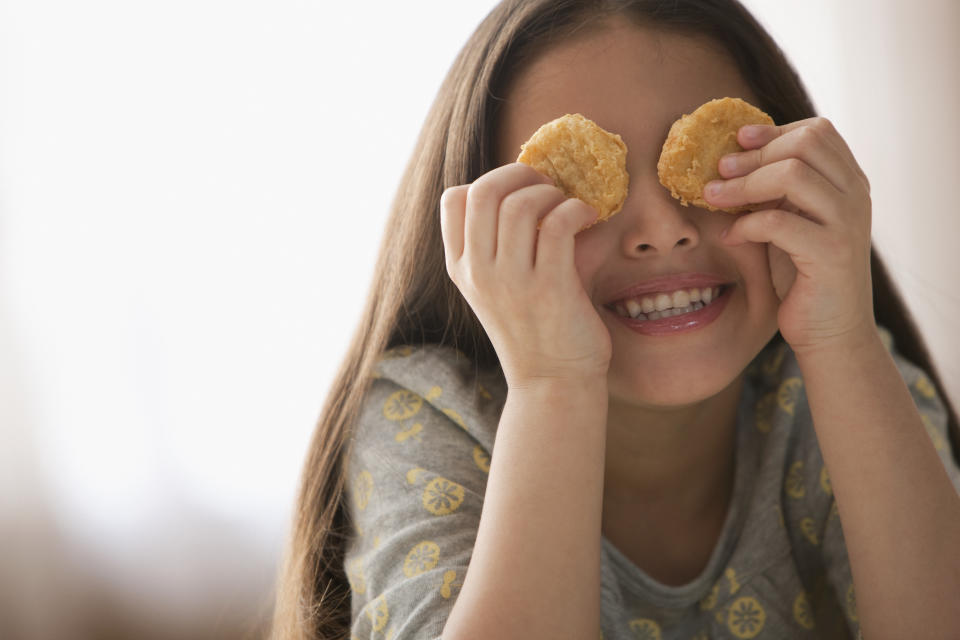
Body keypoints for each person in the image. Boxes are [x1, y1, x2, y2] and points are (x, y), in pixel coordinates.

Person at [271, 1, 960, 638]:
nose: (662, 231)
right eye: (570, 193)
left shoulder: (838, 390)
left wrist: (843, 338)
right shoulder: (427, 415)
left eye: (718, 165)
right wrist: (553, 385)